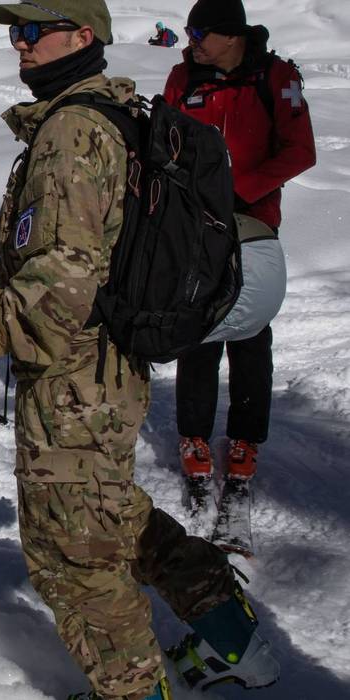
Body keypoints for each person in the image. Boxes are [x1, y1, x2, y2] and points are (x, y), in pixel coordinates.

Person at [0, 2, 279, 698]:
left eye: (33, 30)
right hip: (103, 370)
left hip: (74, 378)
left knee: (72, 558)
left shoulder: (72, 131)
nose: (18, 45)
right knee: (116, 518)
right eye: (13, 33)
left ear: (84, 37)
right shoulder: (111, 117)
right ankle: (238, 645)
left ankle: (135, 690)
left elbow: (60, 290)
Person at [165, 0, 315, 497]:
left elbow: (299, 151)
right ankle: (194, 436)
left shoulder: (274, 77)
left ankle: (247, 438)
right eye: (190, 32)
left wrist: (240, 191)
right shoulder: (183, 78)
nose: (193, 41)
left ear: (232, 34)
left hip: (253, 221)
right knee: (199, 326)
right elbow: (163, 144)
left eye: (202, 32)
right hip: (195, 224)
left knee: (251, 328)